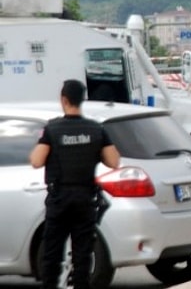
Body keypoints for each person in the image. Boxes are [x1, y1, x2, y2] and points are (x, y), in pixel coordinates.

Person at [30, 80, 121, 289]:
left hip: (59, 199)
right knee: (82, 255)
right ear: (83, 100)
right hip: (85, 199)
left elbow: (36, 161)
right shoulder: (96, 129)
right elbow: (114, 162)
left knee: (52, 253)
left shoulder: (52, 129)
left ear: (64, 100)